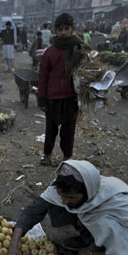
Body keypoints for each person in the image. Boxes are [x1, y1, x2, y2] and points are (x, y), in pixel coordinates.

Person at [38, 13, 89, 166]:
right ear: (56, 31)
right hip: (52, 98)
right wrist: (42, 98)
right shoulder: (50, 52)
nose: (63, 32)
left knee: (68, 131)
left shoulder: (80, 50)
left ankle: (67, 158)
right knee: (51, 129)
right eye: (60, 29)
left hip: (71, 98)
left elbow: (87, 72)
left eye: (67, 28)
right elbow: (43, 76)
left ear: (72, 29)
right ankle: (47, 155)